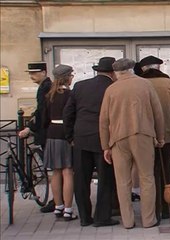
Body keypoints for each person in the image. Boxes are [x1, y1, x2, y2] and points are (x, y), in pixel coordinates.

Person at [99, 58, 165, 229]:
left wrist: (105, 146)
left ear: (116, 72)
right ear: (131, 69)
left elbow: (103, 120)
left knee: (122, 181)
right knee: (146, 177)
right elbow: (158, 113)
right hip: (143, 134)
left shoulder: (111, 89)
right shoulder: (145, 85)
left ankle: (128, 221)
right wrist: (160, 136)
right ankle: (148, 219)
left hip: (118, 138)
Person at [63, 57, 119, 227]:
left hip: (81, 138)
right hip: (104, 140)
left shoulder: (80, 86)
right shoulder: (113, 88)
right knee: (105, 179)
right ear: (113, 72)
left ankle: (85, 217)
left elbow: (68, 113)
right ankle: (102, 217)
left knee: (81, 179)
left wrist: (70, 137)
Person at [137, 55, 170, 220]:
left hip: (146, 135)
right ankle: (167, 207)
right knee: (167, 172)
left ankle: (152, 208)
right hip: (169, 134)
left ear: (143, 69)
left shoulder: (141, 84)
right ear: (159, 68)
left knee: (149, 173)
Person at [18, 62, 55, 213]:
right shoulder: (45, 86)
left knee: (54, 168)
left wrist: (30, 128)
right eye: (30, 73)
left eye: (35, 73)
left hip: (47, 132)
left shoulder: (45, 87)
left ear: (44, 72)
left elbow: (42, 111)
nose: (31, 76)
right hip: (46, 130)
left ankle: (57, 199)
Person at [42, 64, 76, 221]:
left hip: (51, 133)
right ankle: (68, 209)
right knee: (68, 171)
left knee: (55, 172)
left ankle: (58, 206)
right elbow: (71, 116)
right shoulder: (70, 94)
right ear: (68, 77)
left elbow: (44, 118)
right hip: (65, 134)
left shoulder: (49, 95)